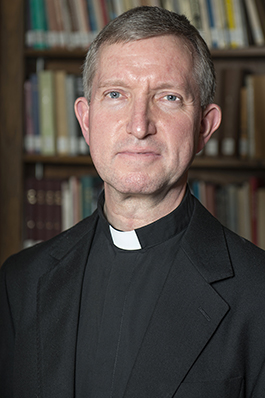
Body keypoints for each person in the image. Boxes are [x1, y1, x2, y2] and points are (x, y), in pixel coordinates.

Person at [1, 6, 265, 398]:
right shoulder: (21, 282)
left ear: (205, 126)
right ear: (86, 121)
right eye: (115, 94)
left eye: (169, 97)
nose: (139, 125)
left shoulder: (258, 293)